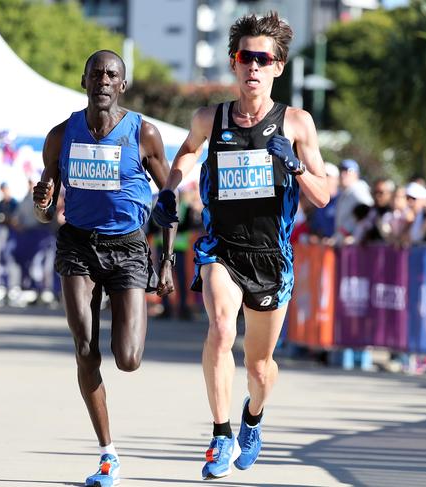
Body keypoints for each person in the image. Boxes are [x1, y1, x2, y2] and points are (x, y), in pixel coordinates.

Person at [152, 12, 329, 480]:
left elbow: (324, 194)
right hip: (221, 249)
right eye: (244, 57)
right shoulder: (211, 117)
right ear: (233, 64)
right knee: (221, 328)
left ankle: (252, 419)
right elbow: (188, 150)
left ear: (278, 66)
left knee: (261, 366)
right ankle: (219, 434)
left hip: (273, 257)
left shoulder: (297, 122)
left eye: (261, 58)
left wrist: (293, 166)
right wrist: (171, 186)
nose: (252, 65)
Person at [32, 49, 175, 487]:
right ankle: (107, 454)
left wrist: (166, 260)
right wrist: (40, 204)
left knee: (128, 359)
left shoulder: (143, 133)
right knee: (84, 346)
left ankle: (121, 321)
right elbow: (44, 208)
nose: (104, 80)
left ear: (123, 85)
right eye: (96, 73)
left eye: (112, 74)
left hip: (129, 248)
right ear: (84, 81)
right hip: (77, 245)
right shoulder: (61, 135)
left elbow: (168, 200)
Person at [333, 158, 373, 243]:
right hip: (345, 242)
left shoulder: (359, 190)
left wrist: (355, 236)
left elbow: (369, 214)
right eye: (341, 170)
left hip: (357, 243)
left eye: (347, 171)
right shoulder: (345, 192)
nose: (343, 174)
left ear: (356, 174)